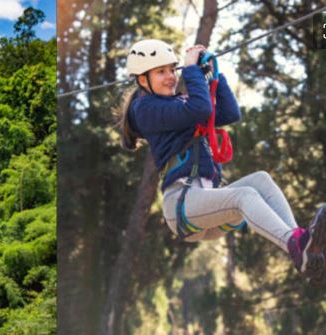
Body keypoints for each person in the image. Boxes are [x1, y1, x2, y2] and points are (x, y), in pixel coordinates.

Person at [119, 39, 326, 282]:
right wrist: (191, 70)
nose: (171, 77)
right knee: (244, 195)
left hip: (205, 205)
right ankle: (297, 246)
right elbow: (200, 110)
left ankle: (302, 249)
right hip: (182, 204)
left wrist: (211, 75)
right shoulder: (145, 109)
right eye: (161, 72)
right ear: (143, 80)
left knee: (261, 180)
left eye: (172, 70)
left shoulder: (178, 105)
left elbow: (229, 113)